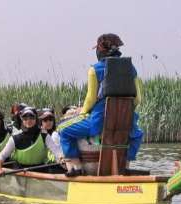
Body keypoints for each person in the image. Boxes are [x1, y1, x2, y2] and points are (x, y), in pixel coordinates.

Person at [58, 33, 143, 176]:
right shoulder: (131, 69)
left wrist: (84, 112)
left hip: (98, 122)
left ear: (100, 50)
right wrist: (122, 113)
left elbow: (90, 99)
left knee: (63, 130)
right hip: (126, 122)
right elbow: (138, 99)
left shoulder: (94, 70)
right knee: (137, 135)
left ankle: (77, 167)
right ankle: (126, 165)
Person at [0, 107, 63, 175]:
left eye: (31, 117)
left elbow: (56, 151)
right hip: (20, 171)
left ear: (36, 119)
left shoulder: (44, 135)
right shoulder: (15, 137)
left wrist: (61, 158)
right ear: (22, 120)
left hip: (41, 169)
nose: (28, 121)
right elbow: (2, 156)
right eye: (25, 118)